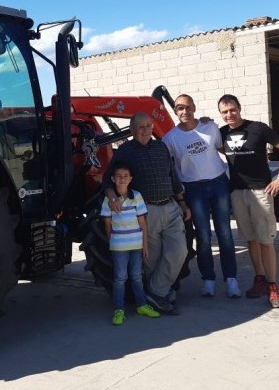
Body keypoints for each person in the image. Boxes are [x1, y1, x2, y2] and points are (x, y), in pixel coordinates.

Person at [103, 112, 191, 314]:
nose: (145, 130)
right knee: (152, 258)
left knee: (179, 250)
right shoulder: (125, 151)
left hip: (170, 207)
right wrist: (111, 196)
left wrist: (181, 201)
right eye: (140, 127)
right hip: (146, 211)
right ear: (132, 130)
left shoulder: (161, 147)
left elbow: (173, 176)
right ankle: (159, 295)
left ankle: (154, 293)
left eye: (148, 126)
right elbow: (108, 179)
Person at [217, 94, 279, 308]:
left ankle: (273, 286)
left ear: (239, 109)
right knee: (250, 240)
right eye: (224, 112)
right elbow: (218, 148)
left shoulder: (258, 128)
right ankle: (259, 279)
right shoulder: (221, 133)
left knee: (266, 242)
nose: (229, 114)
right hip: (237, 193)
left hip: (261, 191)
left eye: (232, 110)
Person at [162, 94, 240, 298]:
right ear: (175, 111)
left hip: (218, 183)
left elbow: (223, 150)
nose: (184, 111)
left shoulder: (210, 127)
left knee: (225, 234)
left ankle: (231, 279)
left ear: (194, 107)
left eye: (187, 107)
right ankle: (209, 280)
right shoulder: (170, 138)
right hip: (193, 189)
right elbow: (167, 167)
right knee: (204, 237)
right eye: (179, 108)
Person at [101, 163, 161, 325]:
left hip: (136, 245)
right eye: (119, 176)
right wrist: (111, 241)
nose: (122, 179)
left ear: (131, 179)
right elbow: (108, 224)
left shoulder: (137, 197)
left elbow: (143, 223)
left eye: (125, 176)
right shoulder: (108, 201)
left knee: (136, 276)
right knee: (120, 278)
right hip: (119, 246)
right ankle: (119, 310)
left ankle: (141, 305)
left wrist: (145, 245)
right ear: (113, 179)